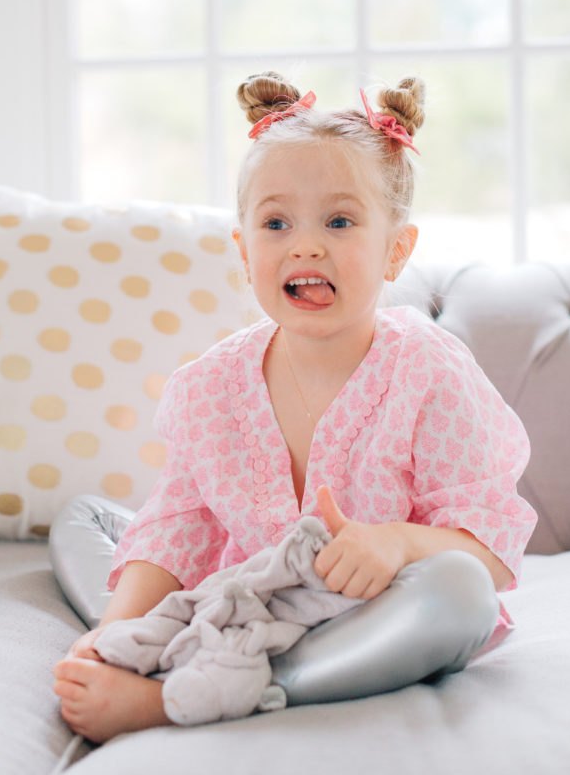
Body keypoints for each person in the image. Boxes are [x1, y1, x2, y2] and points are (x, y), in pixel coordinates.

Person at [52, 71, 537, 743]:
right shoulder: (210, 385)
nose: (305, 245)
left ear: (396, 250)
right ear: (246, 249)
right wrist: (110, 635)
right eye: (276, 223)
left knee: (461, 590)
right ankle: (139, 647)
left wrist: (397, 543)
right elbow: (182, 526)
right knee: (89, 521)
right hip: (239, 609)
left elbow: (490, 546)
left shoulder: (428, 368)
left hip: (373, 620)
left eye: (339, 221)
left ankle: (200, 695)